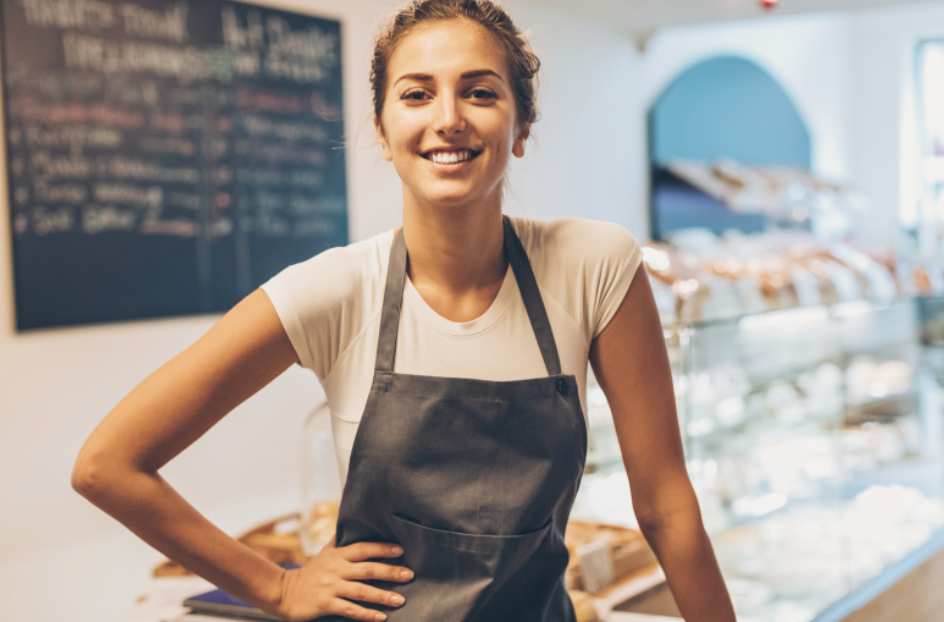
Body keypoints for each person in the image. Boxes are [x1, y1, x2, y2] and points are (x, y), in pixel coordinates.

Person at [72, 1, 737, 621]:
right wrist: (276, 586)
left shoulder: (595, 264)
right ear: (384, 132)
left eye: (480, 91)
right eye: (417, 93)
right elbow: (108, 465)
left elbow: (666, 507)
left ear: (522, 126)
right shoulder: (334, 290)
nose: (448, 116)